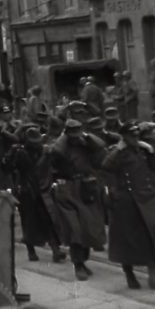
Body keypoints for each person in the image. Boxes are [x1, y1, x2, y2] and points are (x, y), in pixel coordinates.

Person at [102, 123, 155, 290]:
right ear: (124, 137)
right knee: (126, 241)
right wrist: (119, 149)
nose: (135, 139)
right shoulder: (117, 153)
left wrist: (151, 150)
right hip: (127, 202)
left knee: (154, 237)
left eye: (137, 135)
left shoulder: (144, 150)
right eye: (131, 136)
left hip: (148, 199)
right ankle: (130, 275)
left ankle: (153, 277)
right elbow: (106, 167)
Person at [47, 119, 107, 281]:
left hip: (86, 187)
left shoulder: (86, 144)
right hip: (68, 188)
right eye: (72, 134)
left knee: (88, 228)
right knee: (75, 229)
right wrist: (65, 136)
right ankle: (78, 264)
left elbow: (101, 146)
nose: (75, 137)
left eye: (77, 133)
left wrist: (86, 136)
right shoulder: (61, 147)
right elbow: (57, 151)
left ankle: (83, 261)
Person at [1, 127, 66, 263]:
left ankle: (55, 249)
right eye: (33, 142)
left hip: (43, 189)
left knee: (49, 219)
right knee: (28, 221)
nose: (36, 144)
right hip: (26, 190)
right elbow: (7, 168)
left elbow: (58, 160)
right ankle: (31, 250)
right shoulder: (20, 153)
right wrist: (11, 154)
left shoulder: (45, 151)